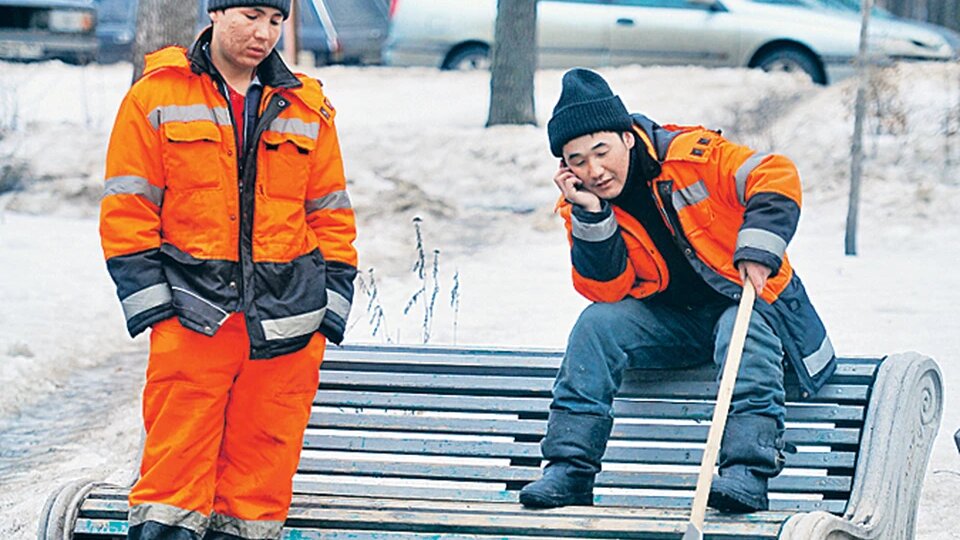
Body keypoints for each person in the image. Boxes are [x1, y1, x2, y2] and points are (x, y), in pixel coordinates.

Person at [518, 68, 835, 513]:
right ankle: (569, 470)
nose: (595, 170)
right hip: (675, 324)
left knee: (736, 329)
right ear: (564, 167)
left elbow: (775, 174)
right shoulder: (583, 203)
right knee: (596, 325)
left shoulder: (693, 156)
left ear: (627, 137)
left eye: (601, 151)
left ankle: (747, 471)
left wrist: (758, 248)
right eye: (577, 161)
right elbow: (606, 291)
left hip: (748, 301)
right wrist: (593, 217)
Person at [99, 1, 357, 538]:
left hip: (288, 326)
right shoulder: (156, 97)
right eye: (250, 15)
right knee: (171, 483)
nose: (263, 34)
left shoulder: (307, 109)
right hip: (194, 317)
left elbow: (331, 215)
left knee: (256, 493)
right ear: (215, 13)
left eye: (275, 21)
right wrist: (157, 311)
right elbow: (127, 211)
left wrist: (329, 311)